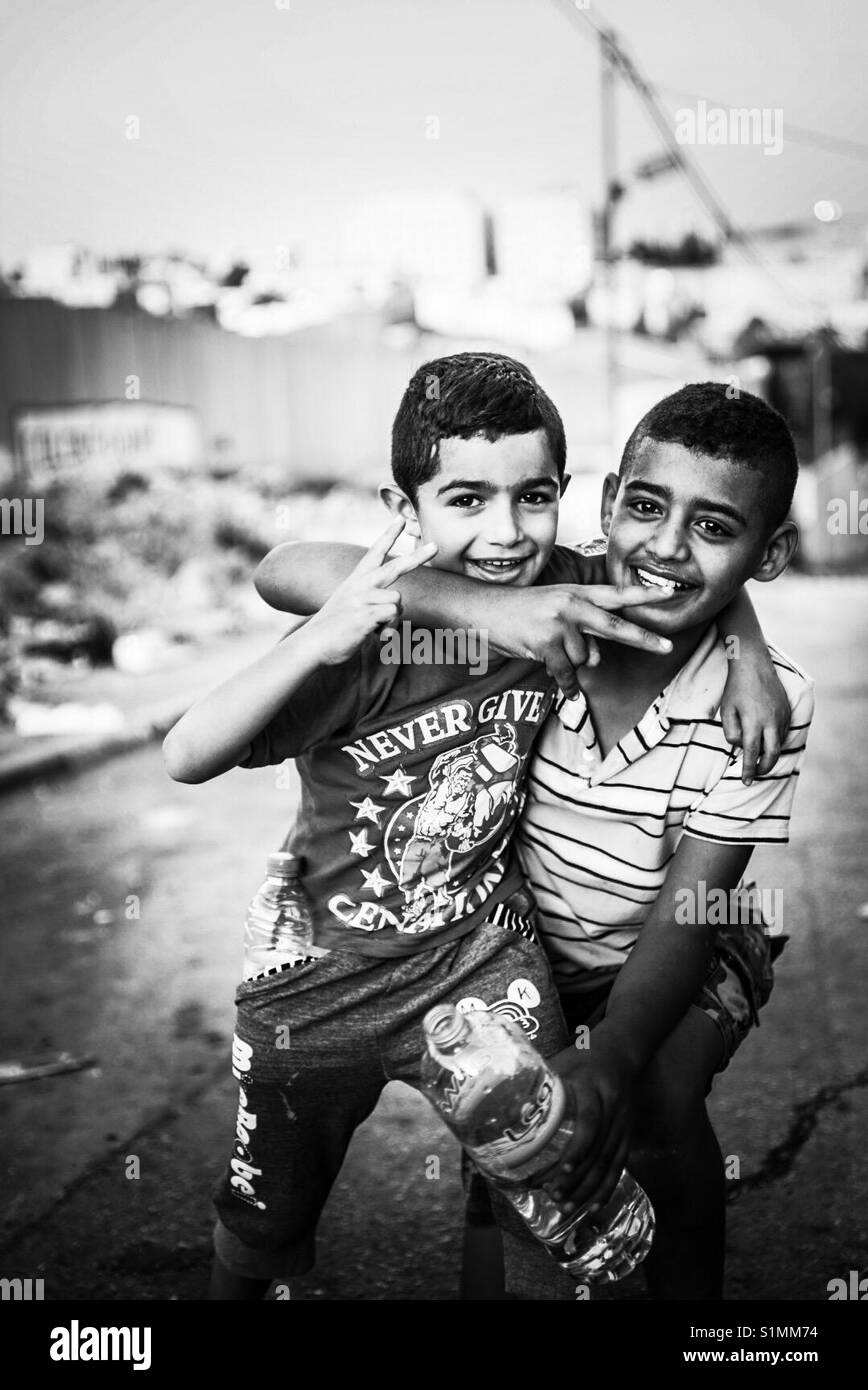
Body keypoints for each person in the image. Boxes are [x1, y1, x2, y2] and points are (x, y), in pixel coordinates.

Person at [253, 372, 802, 1300]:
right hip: (521, 950)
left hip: (680, 946)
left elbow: (692, 902)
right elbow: (286, 568)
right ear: (606, 506)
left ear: (767, 554)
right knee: (513, 1135)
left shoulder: (762, 706)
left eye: (712, 529)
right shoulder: (550, 587)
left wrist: (745, 646)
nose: (665, 547)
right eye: (644, 508)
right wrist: (483, 609)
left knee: (655, 1098)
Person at [163, 351, 687, 1300]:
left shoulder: (564, 592)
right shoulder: (366, 640)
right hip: (319, 980)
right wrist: (329, 632)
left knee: (554, 1183)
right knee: (266, 1218)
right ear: (403, 509)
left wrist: (748, 655)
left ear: (562, 495)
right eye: (466, 500)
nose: (505, 532)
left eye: (533, 498)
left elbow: (688, 585)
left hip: (482, 959)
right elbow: (189, 748)